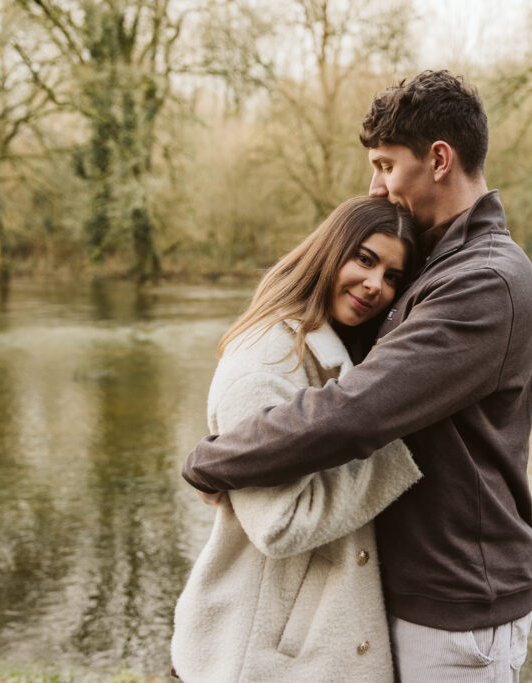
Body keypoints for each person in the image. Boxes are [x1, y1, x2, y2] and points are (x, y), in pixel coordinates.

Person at [183, 70, 532, 682]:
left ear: (437, 159)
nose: (375, 185)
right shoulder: (441, 262)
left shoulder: (484, 281)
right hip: (413, 593)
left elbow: (356, 411)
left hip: (456, 604)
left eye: (384, 164)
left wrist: (218, 460)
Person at [170, 196, 423, 682]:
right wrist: (397, 452)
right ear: (329, 252)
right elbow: (278, 523)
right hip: (257, 656)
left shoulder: (338, 350)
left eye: (392, 276)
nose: (375, 285)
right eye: (365, 259)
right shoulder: (265, 359)